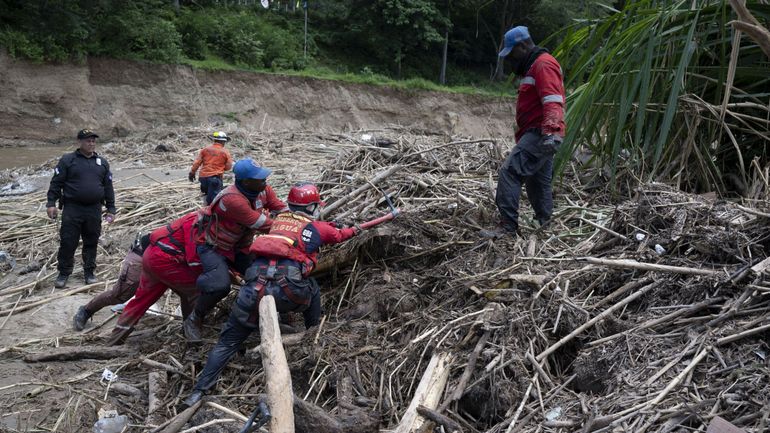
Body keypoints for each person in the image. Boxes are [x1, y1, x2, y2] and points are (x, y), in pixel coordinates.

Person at [182, 183, 359, 407]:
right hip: (290, 293)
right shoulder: (316, 227)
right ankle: (313, 333)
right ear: (313, 207)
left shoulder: (275, 222)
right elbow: (341, 235)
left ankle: (198, 392)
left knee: (227, 342)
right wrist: (355, 229)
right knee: (312, 287)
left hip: (252, 292)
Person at [183, 158, 288, 343]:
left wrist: (298, 215)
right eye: (260, 179)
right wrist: (292, 226)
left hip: (239, 246)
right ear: (246, 181)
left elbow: (280, 208)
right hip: (214, 247)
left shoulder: (263, 190)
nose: (265, 181)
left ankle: (267, 315)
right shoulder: (232, 199)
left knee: (265, 275)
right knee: (219, 285)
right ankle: (194, 318)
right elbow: (263, 224)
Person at [495, 26, 566, 235]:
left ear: (524, 45)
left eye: (512, 53)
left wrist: (550, 131)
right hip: (540, 133)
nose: (510, 60)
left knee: (509, 172)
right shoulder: (535, 66)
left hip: (541, 133)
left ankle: (508, 226)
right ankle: (542, 223)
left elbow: (553, 99)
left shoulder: (543, 64)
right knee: (538, 182)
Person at [105, 212, 203, 346]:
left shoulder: (192, 221)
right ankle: (192, 337)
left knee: (141, 300)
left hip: (158, 260)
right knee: (120, 295)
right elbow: (193, 258)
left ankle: (114, 341)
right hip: (160, 261)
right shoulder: (195, 222)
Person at [46, 129, 117, 288]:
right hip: (72, 209)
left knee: (91, 241)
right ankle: (64, 273)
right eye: (87, 141)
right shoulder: (67, 160)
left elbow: (108, 187)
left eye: (93, 141)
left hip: (94, 209)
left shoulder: (102, 163)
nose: (91, 143)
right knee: (68, 241)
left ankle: (89, 272)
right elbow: (56, 183)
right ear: (80, 142)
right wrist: (51, 203)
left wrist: (111, 209)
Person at [72, 233, 150, 331]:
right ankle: (86, 310)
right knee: (119, 295)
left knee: (149, 292)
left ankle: (132, 311)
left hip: (161, 259)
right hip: (141, 257)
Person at [189, 131, 234, 205]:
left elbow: (197, 163)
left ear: (214, 140)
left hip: (203, 178)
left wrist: (192, 173)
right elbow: (229, 166)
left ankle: (205, 209)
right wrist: (221, 167)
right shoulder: (225, 152)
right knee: (214, 200)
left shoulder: (205, 150)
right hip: (215, 178)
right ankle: (210, 213)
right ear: (223, 142)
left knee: (206, 195)